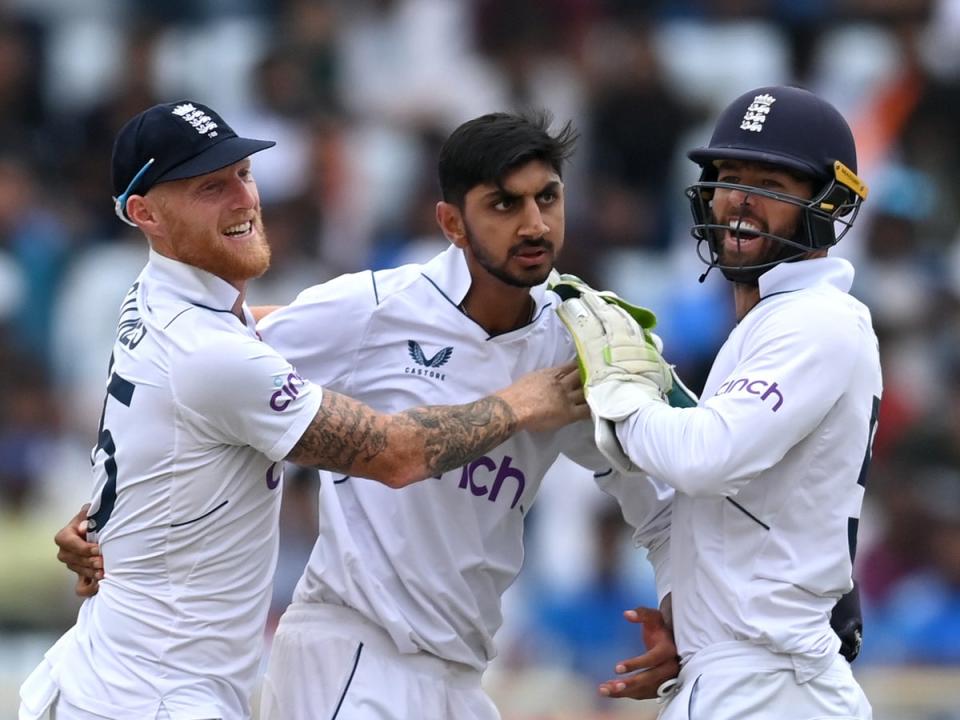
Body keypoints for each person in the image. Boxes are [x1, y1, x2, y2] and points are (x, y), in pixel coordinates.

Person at [19, 101, 589, 720]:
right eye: (210, 187)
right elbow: (396, 455)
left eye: (242, 173)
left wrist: (110, 519)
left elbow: (187, 400)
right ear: (144, 213)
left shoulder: (171, 306)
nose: (242, 199)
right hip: (149, 698)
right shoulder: (213, 354)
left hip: (120, 676)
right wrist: (522, 400)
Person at [560, 86, 880, 718]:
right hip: (749, 678)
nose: (739, 198)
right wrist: (687, 607)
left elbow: (707, 458)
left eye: (770, 182)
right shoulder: (774, 323)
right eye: (729, 176)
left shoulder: (818, 319)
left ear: (828, 203)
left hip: (771, 684)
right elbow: (703, 502)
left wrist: (622, 396)